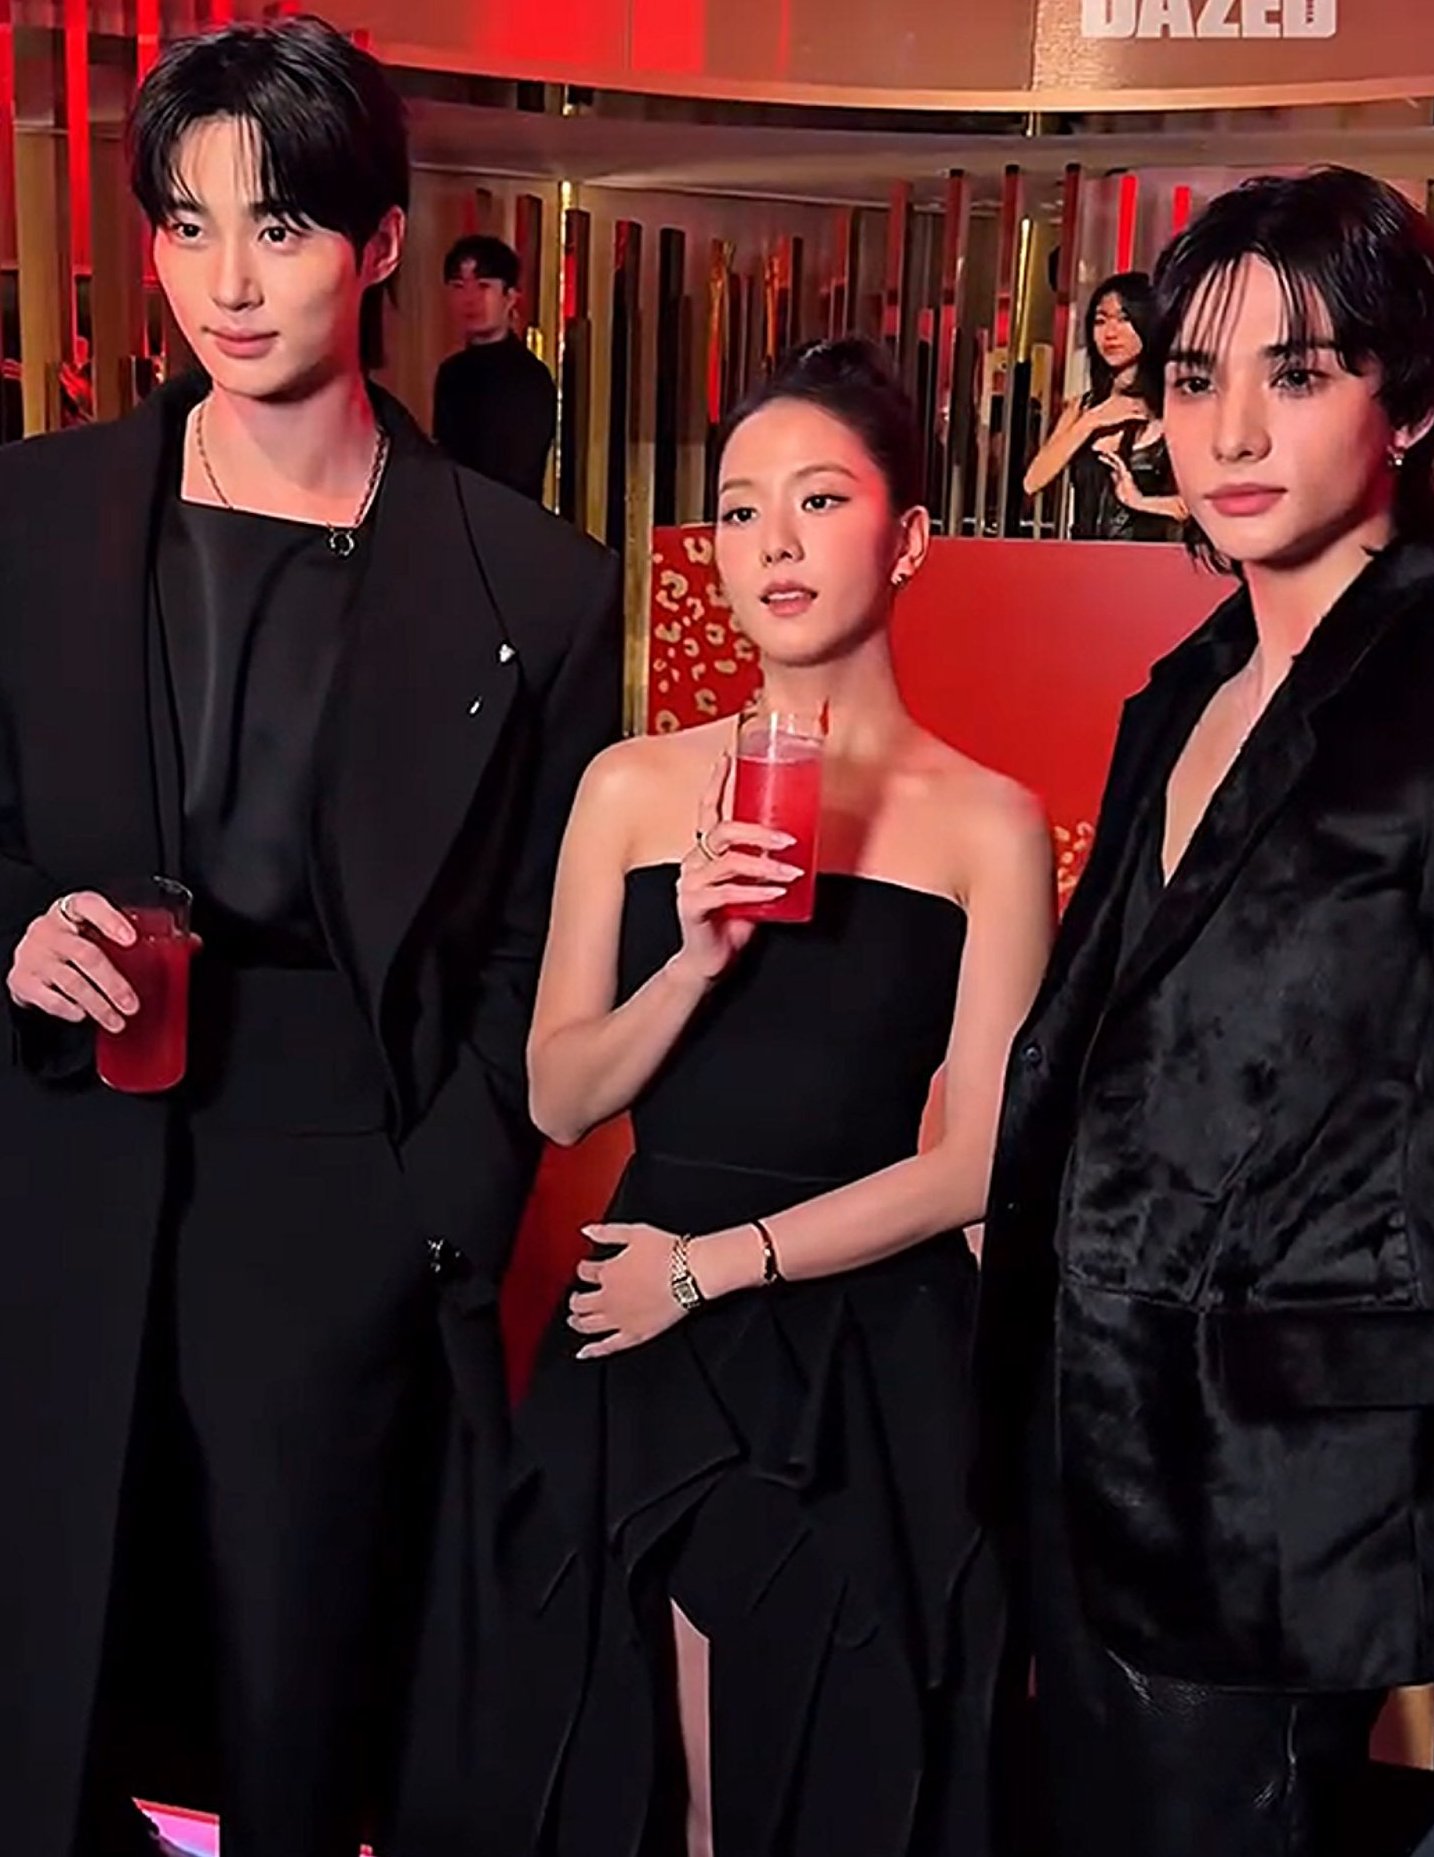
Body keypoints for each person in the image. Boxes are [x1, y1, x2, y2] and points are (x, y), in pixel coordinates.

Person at [0, 18, 621, 1857]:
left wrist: (433, 1204)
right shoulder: (32, 513)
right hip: (62, 1142)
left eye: (275, 226)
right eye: (187, 227)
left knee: (297, 1703)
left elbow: (534, 943)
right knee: (44, 1669)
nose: (228, 281)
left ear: (376, 244)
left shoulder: (532, 583)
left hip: (342, 1185)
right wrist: (12, 928)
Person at [485, 337, 1055, 1855]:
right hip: (639, 1327)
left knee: (831, 1780)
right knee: (639, 1772)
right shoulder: (629, 785)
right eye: (740, 511)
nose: (774, 545)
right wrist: (691, 961)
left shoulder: (988, 823)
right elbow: (556, 1098)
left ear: (908, 538)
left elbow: (975, 1164)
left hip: (861, 1336)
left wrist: (709, 1269)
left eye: (819, 500)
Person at [976, 166, 1434, 1857]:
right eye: (1195, 379)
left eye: (1298, 372)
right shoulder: (1180, 690)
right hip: (1083, 1436)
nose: (1232, 430)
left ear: (1408, 405)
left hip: (1286, 1496)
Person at [1022, 269, 1187, 541]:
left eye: (1124, 319)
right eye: (1100, 321)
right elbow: (1033, 481)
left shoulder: (1171, 407)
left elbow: (1196, 508)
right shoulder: (1083, 408)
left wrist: (1140, 501)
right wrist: (1092, 421)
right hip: (1083, 557)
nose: (1110, 333)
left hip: (1146, 558)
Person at [433, 233, 557, 502]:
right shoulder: (451, 373)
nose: (470, 299)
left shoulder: (529, 376)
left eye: (483, 286)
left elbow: (518, 472)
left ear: (510, 296)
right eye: (458, 286)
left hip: (507, 516)